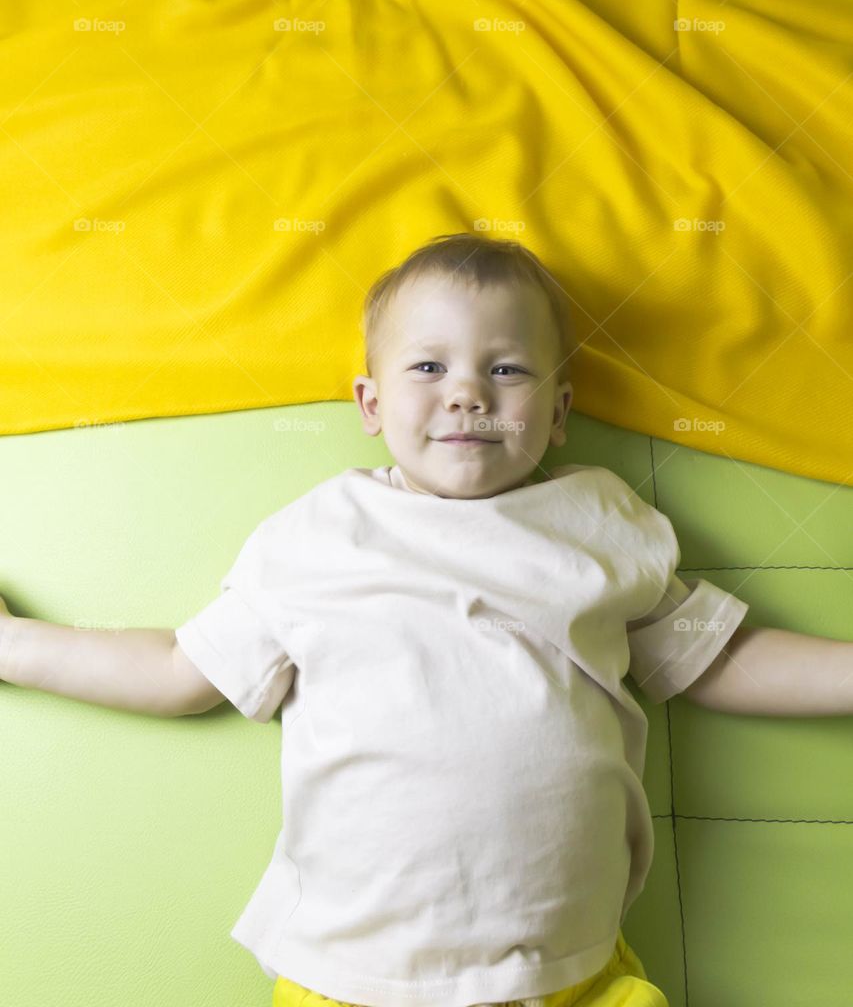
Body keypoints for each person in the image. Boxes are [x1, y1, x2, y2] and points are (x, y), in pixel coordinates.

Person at [0, 231, 762, 1007]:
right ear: (370, 403)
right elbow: (178, 672)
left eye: (506, 369)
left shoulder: (596, 522)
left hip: (569, 970)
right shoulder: (325, 533)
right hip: (356, 973)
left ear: (560, 410)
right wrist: (12, 645)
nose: (467, 393)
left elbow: (719, 658)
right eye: (428, 367)